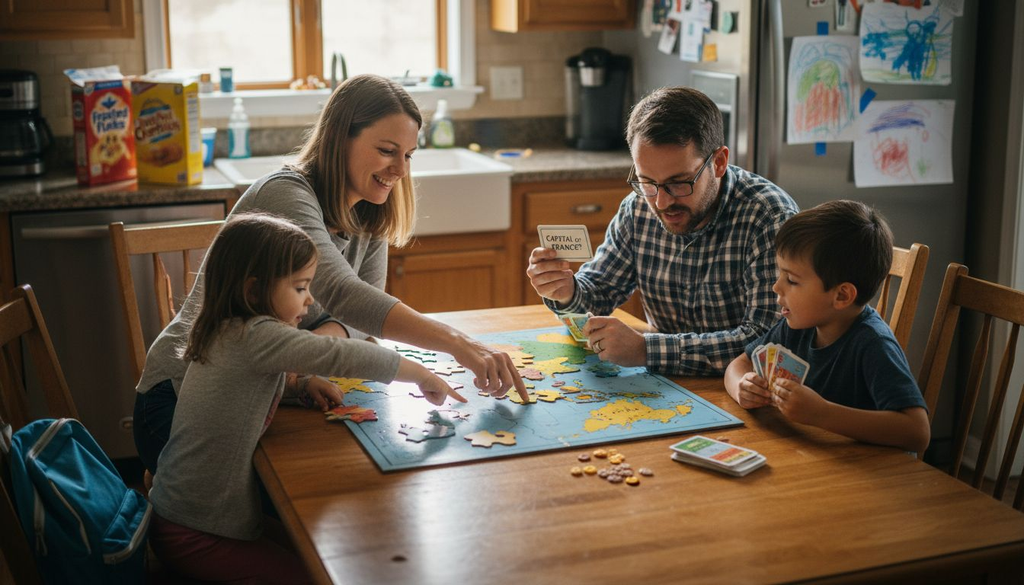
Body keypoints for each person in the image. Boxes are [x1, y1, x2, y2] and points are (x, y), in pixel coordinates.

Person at [134, 74, 527, 476]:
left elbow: (361, 322)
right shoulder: (285, 194)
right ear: (340, 139)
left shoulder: (369, 212)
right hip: (180, 400)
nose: (400, 170)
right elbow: (343, 294)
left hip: (271, 390)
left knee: (352, 483)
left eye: (408, 155)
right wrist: (457, 344)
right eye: (387, 151)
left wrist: (303, 351)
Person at [147, 213, 464, 582]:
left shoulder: (228, 328)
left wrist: (300, 386)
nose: (311, 300)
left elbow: (246, 384)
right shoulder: (257, 335)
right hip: (198, 533)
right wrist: (421, 374)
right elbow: (338, 353)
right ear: (253, 291)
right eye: (300, 288)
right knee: (320, 574)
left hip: (183, 515)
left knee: (314, 551)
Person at [527, 87, 799, 376]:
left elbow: (768, 341)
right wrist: (567, 293)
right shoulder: (637, 209)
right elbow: (599, 292)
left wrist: (646, 350)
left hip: (744, 392)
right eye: (647, 182)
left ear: (718, 162)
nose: (661, 201)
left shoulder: (769, 217)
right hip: (665, 386)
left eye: (679, 182)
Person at [723, 200, 930, 454]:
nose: (777, 287)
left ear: (842, 296)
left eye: (792, 280)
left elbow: (918, 433)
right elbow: (738, 365)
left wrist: (821, 414)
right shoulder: (797, 325)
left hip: (872, 478)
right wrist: (741, 387)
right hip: (818, 458)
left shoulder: (873, 344)